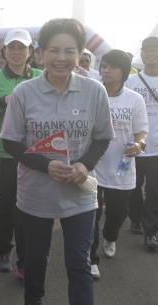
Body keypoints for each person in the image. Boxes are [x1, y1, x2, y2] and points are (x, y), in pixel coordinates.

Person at [1, 18, 114, 305]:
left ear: (80, 54)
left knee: (79, 263)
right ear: (42, 53)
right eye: (54, 50)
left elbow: (102, 137)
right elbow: (10, 141)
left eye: (69, 51)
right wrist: (44, 165)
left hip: (80, 193)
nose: (61, 58)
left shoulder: (95, 91)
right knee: (36, 258)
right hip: (35, 192)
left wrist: (85, 165)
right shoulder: (24, 92)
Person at [0, 29, 41, 276]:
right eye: (12, 48)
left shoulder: (39, 77)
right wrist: (3, 101)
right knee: (2, 209)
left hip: (33, 154)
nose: (16, 52)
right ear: (4, 52)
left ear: (30, 52)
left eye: (22, 48)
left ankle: (25, 260)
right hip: (1, 154)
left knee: (28, 209)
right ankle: (4, 250)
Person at [90, 50, 148, 279]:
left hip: (121, 167)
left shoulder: (134, 99)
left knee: (118, 213)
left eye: (112, 67)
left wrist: (140, 145)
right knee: (91, 214)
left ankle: (110, 236)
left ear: (123, 71)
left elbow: (141, 130)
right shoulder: (93, 94)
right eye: (104, 66)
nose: (106, 70)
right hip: (92, 165)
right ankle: (91, 259)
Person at [126, 36, 158, 249]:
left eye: (154, 50)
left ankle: (151, 232)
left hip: (157, 149)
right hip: (135, 147)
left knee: (155, 190)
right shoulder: (132, 81)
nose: (150, 54)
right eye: (146, 50)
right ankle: (135, 218)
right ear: (142, 53)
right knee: (134, 188)